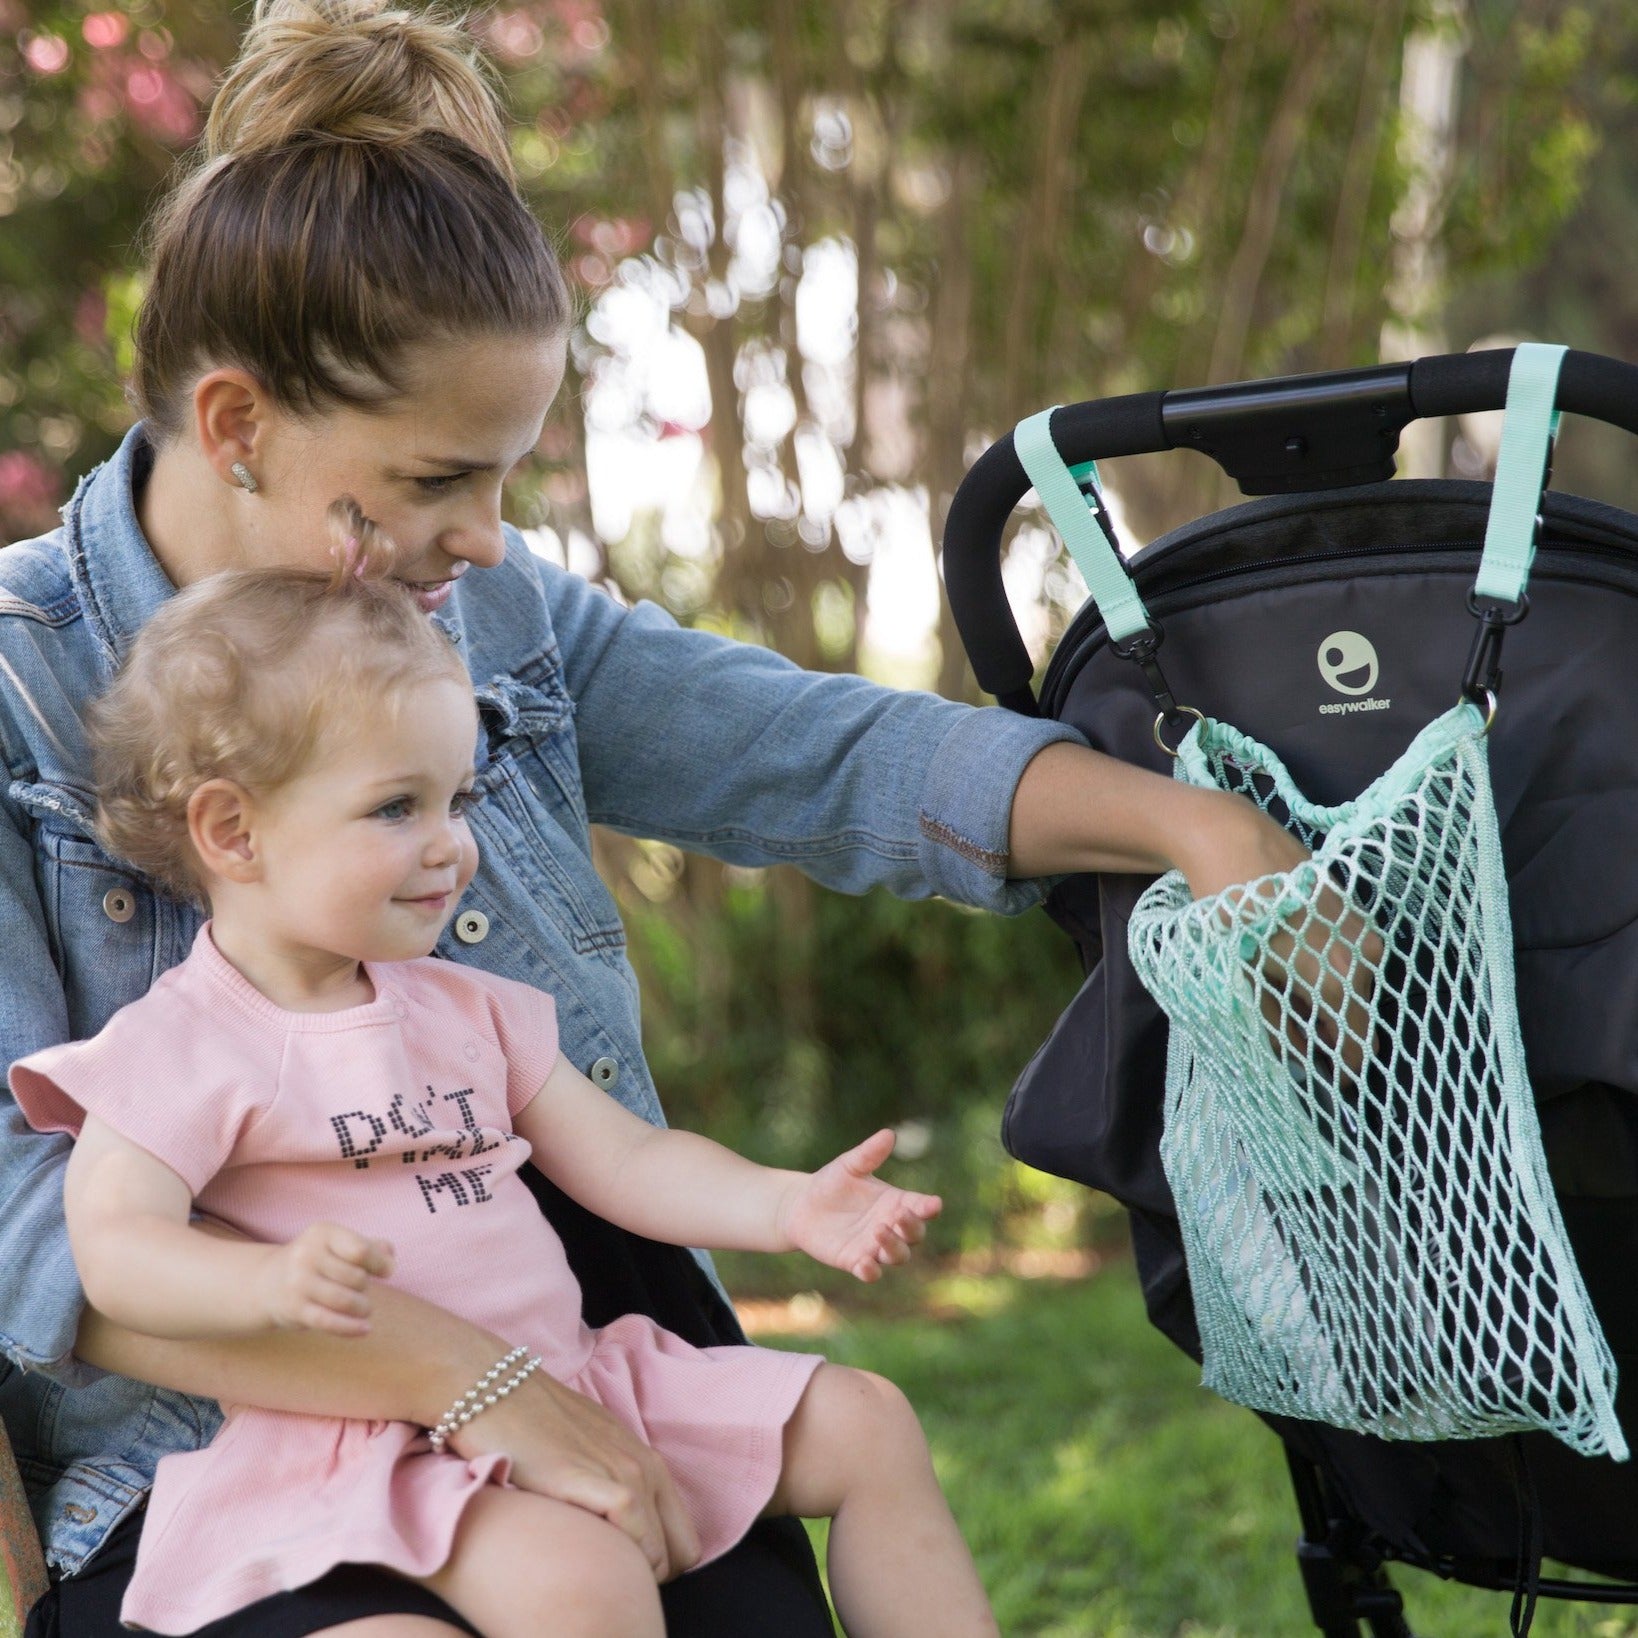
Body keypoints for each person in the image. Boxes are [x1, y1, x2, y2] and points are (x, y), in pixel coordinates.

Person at [0, 3, 1312, 1634]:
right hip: (230, 1441)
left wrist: (1188, 825)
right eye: (427, 484)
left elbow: (821, 755)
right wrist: (466, 1386)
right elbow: (38, 1243)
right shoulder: (21, 689)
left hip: (572, 1334)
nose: (480, 542)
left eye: (500, 482)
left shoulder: (485, 617)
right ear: (237, 426)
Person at [10, 528, 1000, 1638]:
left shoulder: (462, 1007)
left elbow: (626, 1158)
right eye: (397, 808)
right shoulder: (182, 1045)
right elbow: (115, 1249)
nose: (452, 848)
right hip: (364, 1438)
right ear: (233, 830)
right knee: (582, 1582)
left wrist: (786, 1202)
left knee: (867, 1421)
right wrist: (261, 1286)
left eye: (459, 800)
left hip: (569, 1378)